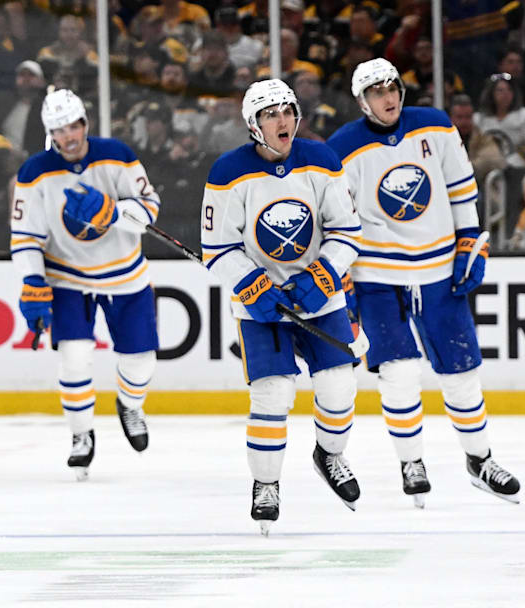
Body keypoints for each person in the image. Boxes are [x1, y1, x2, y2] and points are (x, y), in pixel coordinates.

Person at [327, 59, 521, 508]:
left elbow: (460, 186)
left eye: (392, 87)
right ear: (362, 101)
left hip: (437, 268)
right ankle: (410, 462)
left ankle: (480, 460)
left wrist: (469, 239)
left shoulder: (434, 125)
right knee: (398, 373)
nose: (388, 97)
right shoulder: (344, 147)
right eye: (376, 92)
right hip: (376, 274)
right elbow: (338, 218)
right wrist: (343, 278)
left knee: (462, 372)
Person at [200, 79, 364, 534]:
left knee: (337, 386)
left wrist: (325, 274)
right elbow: (216, 247)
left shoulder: (322, 159)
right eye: (271, 114)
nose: (283, 120)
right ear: (254, 125)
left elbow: (347, 231)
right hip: (261, 305)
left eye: (288, 110)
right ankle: (266, 484)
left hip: (321, 295)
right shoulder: (228, 171)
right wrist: (251, 284)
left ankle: (329, 455)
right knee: (272, 393)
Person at [10, 89, 162, 481]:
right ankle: (81, 435)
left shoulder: (117, 154)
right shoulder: (35, 172)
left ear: (85, 124)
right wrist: (32, 279)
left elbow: (150, 209)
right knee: (74, 356)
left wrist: (115, 213)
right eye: (60, 130)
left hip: (126, 273)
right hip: (67, 277)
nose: (70, 136)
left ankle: (130, 405)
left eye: (74, 126)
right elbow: (25, 235)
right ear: (50, 134)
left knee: (141, 360)